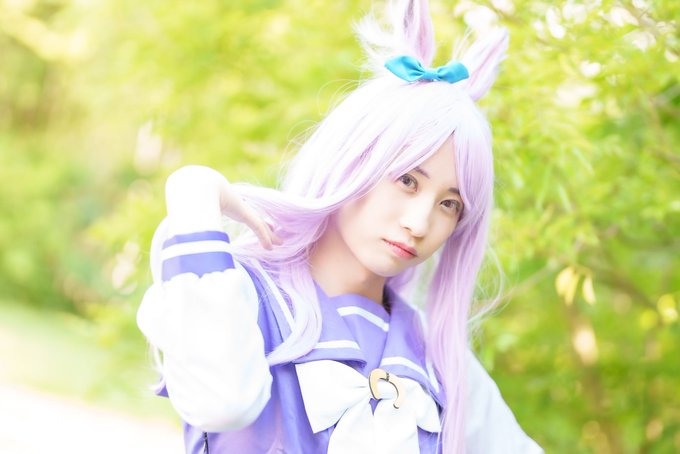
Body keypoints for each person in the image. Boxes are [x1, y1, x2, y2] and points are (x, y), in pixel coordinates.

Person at [137, 0, 544, 452]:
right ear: (353, 160)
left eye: (449, 204)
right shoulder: (242, 295)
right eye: (408, 180)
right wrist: (193, 189)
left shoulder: (438, 354)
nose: (419, 223)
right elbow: (222, 404)